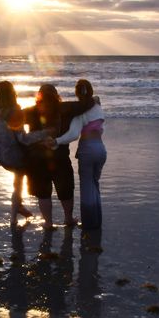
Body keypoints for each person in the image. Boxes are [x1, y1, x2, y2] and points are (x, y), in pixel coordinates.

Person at [23, 84, 93, 228]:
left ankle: (48, 222)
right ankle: (68, 219)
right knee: (66, 190)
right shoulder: (65, 108)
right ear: (56, 95)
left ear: (39, 96)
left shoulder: (31, 111)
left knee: (43, 192)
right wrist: (94, 100)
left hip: (37, 159)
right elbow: (85, 104)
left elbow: (12, 119)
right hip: (60, 157)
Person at [0, 81, 49, 227]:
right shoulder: (15, 110)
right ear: (13, 93)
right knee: (29, 167)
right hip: (10, 156)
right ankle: (14, 217)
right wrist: (43, 134)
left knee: (18, 175)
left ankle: (18, 205)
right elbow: (23, 139)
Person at [52, 79, 106, 230]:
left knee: (87, 186)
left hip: (87, 150)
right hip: (101, 149)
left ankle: (89, 224)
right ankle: (97, 220)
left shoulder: (80, 112)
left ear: (77, 93)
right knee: (95, 185)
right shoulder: (98, 107)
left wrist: (56, 141)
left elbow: (73, 134)